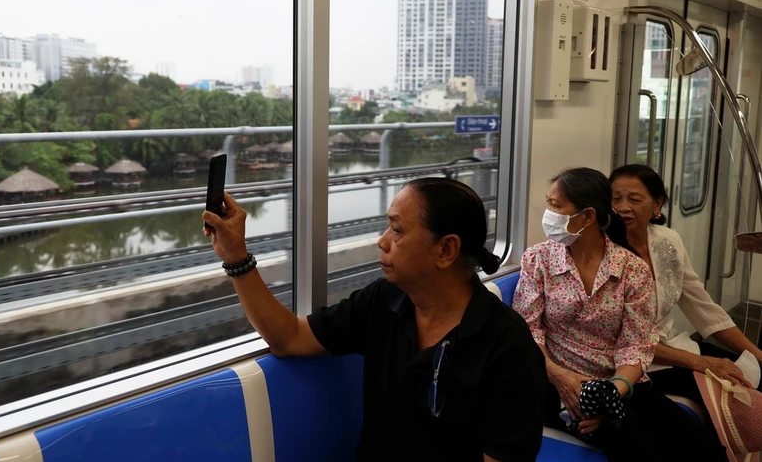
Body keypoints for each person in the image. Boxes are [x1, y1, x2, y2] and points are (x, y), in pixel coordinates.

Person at [203, 177, 548, 462]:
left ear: (445, 250)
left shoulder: (508, 347)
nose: (381, 241)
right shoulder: (384, 301)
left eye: (397, 231)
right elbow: (289, 337)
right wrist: (237, 256)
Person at [512, 167, 728, 462]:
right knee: (644, 446)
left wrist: (614, 390)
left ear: (587, 217)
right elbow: (527, 329)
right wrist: (559, 375)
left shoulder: (631, 269)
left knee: (703, 448)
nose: (549, 214)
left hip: (621, 382)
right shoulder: (538, 259)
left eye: (555, 206)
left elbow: (636, 344)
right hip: (561, 383)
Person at [609, 165, 762, 393]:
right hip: (629, 363)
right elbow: (619, 338)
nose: (623, 208)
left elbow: (701, 306)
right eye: (615, 199)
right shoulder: (604, 252)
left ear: (657, 204)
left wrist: (757, 355)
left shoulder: (667, 241)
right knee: (735, 392)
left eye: (634, 199)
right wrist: (701, 363)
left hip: (672, 347)